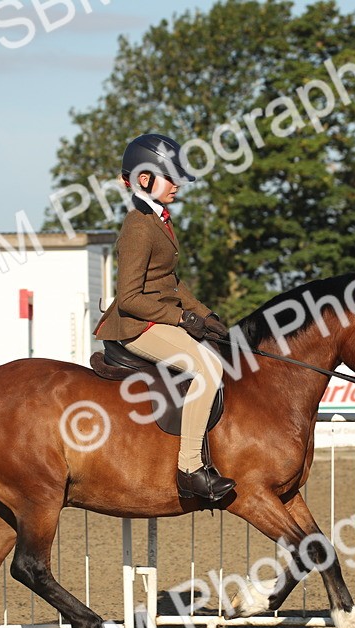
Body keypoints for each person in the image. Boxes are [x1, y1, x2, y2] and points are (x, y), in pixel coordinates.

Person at [93, 133, 235, 501]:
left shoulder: (158, 219)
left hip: (158, 318)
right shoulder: (138, 226)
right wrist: (182, 319)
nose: (178, 184)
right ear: (144, 179)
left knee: (219, 352)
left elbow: (169, 280)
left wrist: (207, 314)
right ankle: (189, 468)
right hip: (137, 325)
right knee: (207, 369)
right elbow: (129, 298)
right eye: (170, 176)